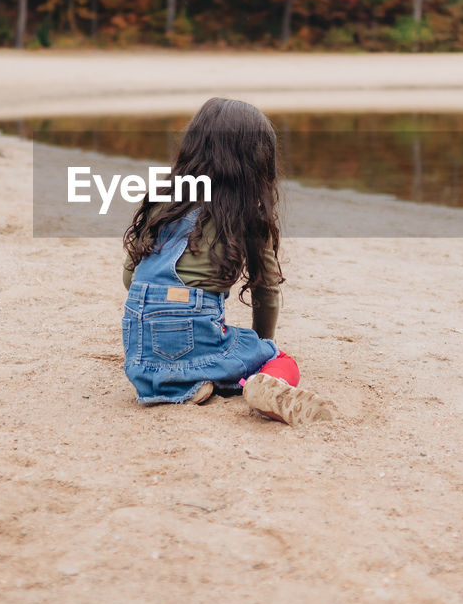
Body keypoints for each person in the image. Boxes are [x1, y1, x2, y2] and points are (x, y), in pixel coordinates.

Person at [121, 98, 334, 425]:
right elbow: (267, 293)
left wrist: (159, 304)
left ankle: (186, 383)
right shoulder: (248, 215)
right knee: (279, 359)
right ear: (257, 162)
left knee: (184, 349)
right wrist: (262, 344)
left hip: (140, 346)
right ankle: (266, 382)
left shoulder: (163, 201)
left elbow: (129, 278)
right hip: (193, 329)